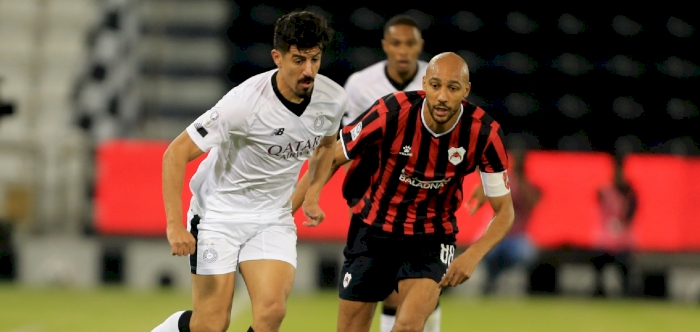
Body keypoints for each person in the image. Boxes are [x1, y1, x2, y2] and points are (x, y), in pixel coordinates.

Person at [292, 52, 514, 332]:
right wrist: (302, 202)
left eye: (453, 88)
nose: (443, 96)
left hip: (431, 237)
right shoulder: (392, 112)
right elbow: (334, 155)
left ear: (466, 91)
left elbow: (505, 211)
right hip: (373, 231)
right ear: (424, 84)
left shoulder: (484, 133)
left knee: (408, 326)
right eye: (435, 86)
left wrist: (472, 255)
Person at [152, 11, 345, 332]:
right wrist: (175, 226)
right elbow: (175, 154)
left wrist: (312, 193)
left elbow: (326, 146)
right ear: (277, 57)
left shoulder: (332, 99)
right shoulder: (243, 104)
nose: (308, 70)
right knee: (212, 324)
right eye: (298, 60)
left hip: (271, 218)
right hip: (218, 215)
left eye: (315, 59)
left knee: (271, 312)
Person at [341, 14, 437, 332]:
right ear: (385, 45)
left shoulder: (437, 80)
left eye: (410, 43)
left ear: (420, 46)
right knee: (379, 289)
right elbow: (347, 142)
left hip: (425, 200)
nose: (403, 50)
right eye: (396, 43)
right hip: (376, 198)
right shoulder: (359, 84)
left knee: (419, 289)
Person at [465, 148, 540, 294]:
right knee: (483, 248)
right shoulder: (504, 181)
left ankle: (501, 278)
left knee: (526, 252)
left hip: (517, 237)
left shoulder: (528, 186)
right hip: (497, 234)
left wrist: (520, 179)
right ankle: (491, 279)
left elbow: (532, 200)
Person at [591, 153, 637, 297]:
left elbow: (630, 214)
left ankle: (626, 290)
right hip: (605, 240)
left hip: (623, 240)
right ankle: (599, 289)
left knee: (625, 260)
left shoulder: (629, 193)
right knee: (598, 258)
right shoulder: (606, 190)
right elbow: (597, 194)